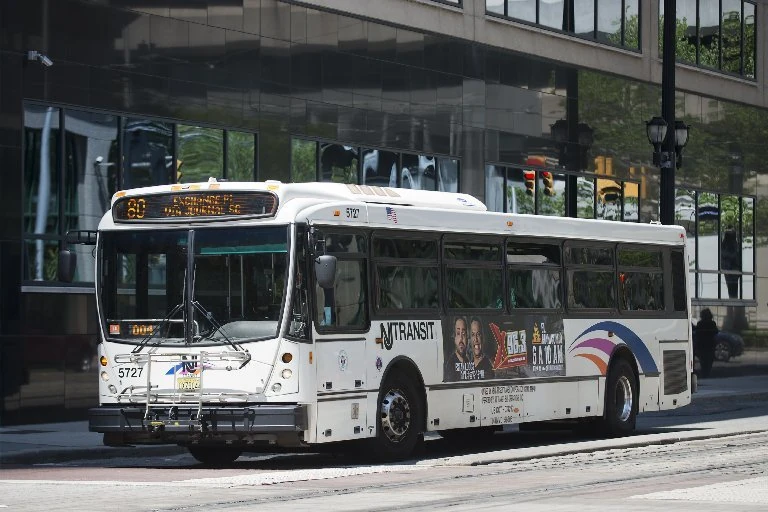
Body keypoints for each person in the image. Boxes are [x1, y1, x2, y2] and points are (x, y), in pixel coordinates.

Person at [444, 316, 470, 381]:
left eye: (463, 333)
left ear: (467, 337)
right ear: (454, 337)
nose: (461, 338)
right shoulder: (450, 365)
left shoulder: (468, 361)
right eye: (458, 333)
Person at [695, 308, 718, 378]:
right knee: (708, 363)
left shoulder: (700, 323)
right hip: (710, 346)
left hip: (702, 346)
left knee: (703, 363)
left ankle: (704, 375)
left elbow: (697, 334)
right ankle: (707, 374)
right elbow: (716, 332)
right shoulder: (712, 323)